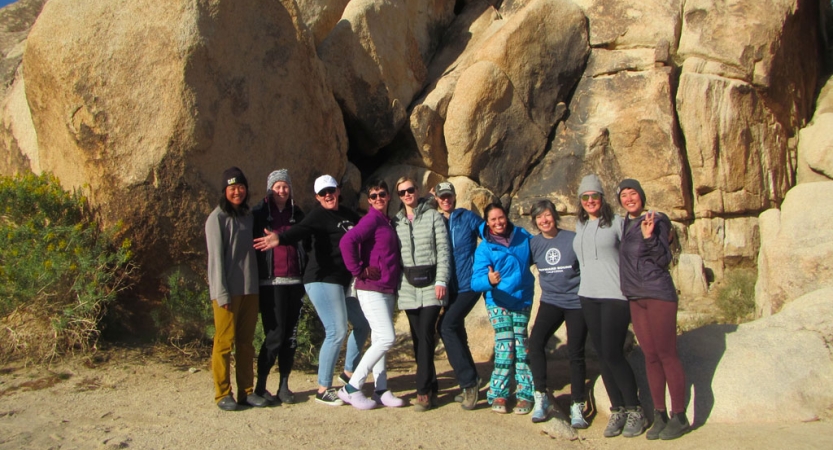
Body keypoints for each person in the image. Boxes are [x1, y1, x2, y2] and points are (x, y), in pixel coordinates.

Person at [254, 174, 369, 406]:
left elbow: (368, 229)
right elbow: (300, 231)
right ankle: (323, 388)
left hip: (344, 281)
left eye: (332, 191)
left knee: (362, 325)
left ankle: (347, 374)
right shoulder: (318, 215)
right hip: (322, 279)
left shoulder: (347, 214)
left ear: (338, 191)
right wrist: (280, 238)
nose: (328, 196)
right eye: (323, 193)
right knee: (336, 331)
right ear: (317, 197)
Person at [573, 174, 645, 437]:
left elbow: (636, 248)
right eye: (585, 197)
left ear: (602, 199)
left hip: (615, 295)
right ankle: (617, 410)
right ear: (580, 201)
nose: (590, 200)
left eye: (595, 196)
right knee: (602, 355)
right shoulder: (579, 226)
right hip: (588, 295)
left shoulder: (617, 222)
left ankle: (635, 408)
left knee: (614, 353)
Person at [617, 179, 689, 440]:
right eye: (624, 195)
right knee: (650, 356)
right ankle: (660, 414)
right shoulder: (625, 224)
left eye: (632, 193)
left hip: (658, 293)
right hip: (636, 297)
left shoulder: (657, 219)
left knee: (667, 353)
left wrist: (649, 237)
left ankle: (679, 415)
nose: (628, 198)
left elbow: (662, 259)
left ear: (641, 196)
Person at [337, 177, 404, 410]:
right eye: (373, 195)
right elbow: (347, 241)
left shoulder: (386, 221)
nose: (378, 198)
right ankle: (352, 387)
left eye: (382, 194)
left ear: (388, 196)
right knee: (387, 337)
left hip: (386, 288)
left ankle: (381, 389)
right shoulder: (371, 220)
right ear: (369, 199)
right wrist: (358, 270)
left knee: (379, 339)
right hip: (371, 288)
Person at [205, 167, 267, 411]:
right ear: (224, 191)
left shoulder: (248, 216)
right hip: (227, 292)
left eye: (241, 187)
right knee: (223, 343)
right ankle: (222, 394)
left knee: (245, 343)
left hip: (250, 289)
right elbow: (216, 260)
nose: (237, 192)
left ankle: (246, 392)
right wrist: (221, 293)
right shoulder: (216, 219)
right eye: (232, 188)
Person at [527, 200, 589, 427]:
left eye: (547, 215)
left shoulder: (572, 239)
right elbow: (518, 263)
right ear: (534, 221)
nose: (544, 220)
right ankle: (541, 396)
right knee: (535, 343)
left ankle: (577, 405)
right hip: (550, 301)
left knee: (575, 352)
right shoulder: (534, 244)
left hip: (576, 302)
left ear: (555, 216)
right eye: (539, 217)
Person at [471, 203, 535, 415]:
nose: (498, 222)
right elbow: (475, 282)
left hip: (521, 298)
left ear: (506, 217)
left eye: (501, 218)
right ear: (487, 223)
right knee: (506, 345)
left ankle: (525, 393)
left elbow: (539, 251)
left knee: (521, 346)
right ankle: (499, 392)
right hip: (497, 300)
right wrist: (488, 280)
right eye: (493, 219)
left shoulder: (522, 237)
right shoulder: (485, 248)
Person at [393, 177, 450, 412]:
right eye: (402, 192)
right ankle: (433, 385)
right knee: (418, 339)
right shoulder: (396, 222)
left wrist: (441, 280)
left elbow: (444, 249)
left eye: (410, 190)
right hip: (407, 285)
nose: (407, 194)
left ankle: (423, 391)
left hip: (431, 284)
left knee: (426, 334)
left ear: (417, 191)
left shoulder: (433, 216)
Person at [251, 169, 306, 404]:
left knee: (290, 337)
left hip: (295, 282)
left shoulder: (298, 214)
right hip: (270, 283)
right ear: (270, 189)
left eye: (285, 186)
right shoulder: (260, 214)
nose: (282, 190)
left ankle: (284, 385)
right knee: (274, 335)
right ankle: (260, 386)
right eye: (277, 186)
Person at [432, 181, 484, 411]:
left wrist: (488, 265)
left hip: (469, 284)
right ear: (437, 198)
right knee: (456, 329)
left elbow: (489, 233)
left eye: (449, 196)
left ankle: (469, 382)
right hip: (449, 287)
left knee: (446, 326)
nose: (446, 200)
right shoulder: (435, 220)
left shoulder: (467, 217)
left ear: (454, 196)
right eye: (442, 197)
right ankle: (470, 381)